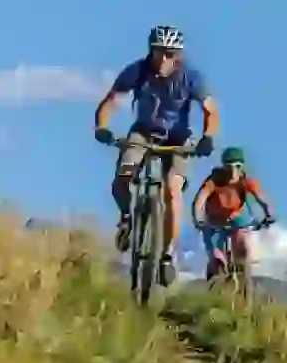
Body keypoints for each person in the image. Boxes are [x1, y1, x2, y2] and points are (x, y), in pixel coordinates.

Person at [93, 25, 219, 286]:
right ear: (151, 51)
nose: (164, 59)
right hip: (143, 132)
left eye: (170, 54)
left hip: (178, 138)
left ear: (179, 56)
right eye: (160, 52)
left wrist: (208, 137)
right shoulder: (138, 71)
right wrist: (102, 127)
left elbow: (210, 110)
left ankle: (166, 255)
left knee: (173, 190)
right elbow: (111, 100)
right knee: (123, 177)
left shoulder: (191, 77)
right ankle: (127, 217)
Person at [192, 146, 275, 285]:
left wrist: (269, 215)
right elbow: (199, 201)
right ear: (223, 167)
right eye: (229, 167)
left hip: (237, 217)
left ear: (242, 167)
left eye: (237, 166)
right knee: (216, 256)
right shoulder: (214, 181)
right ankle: (215, 279)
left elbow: (263, 200)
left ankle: (244, 284)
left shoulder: (246, 181)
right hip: (214, 220)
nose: (233, 171)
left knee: (243, 247)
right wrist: (198, 219)